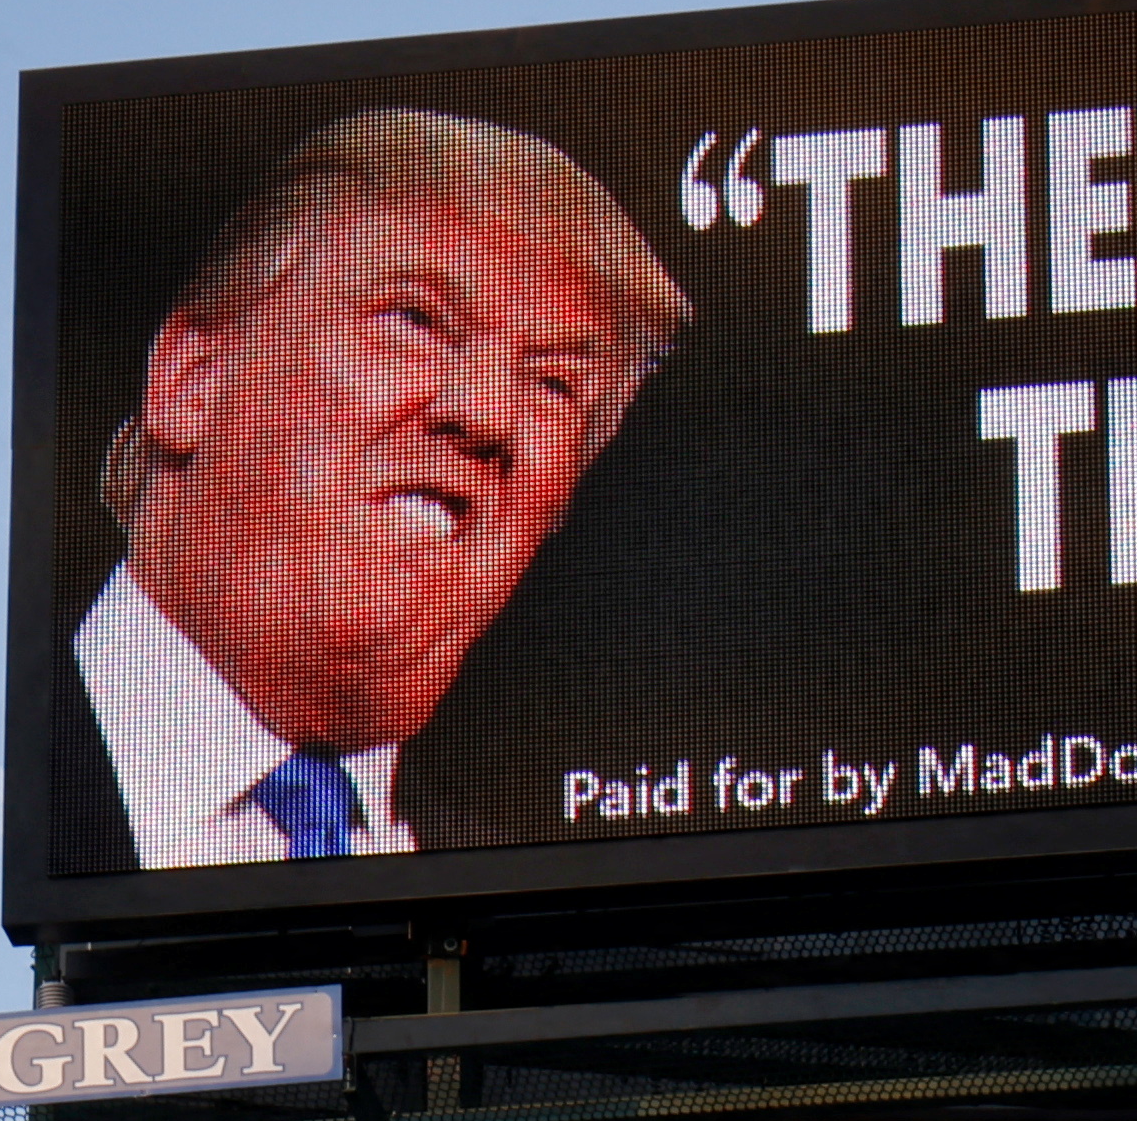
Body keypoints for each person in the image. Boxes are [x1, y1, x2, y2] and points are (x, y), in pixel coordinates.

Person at [58, 108, 687, 871]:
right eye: (415, 320)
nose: (486, 414)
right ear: (194, 383)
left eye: (554, 382)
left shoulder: (543, 909)